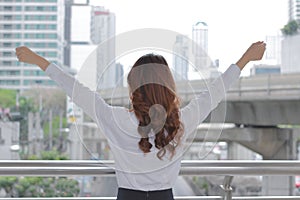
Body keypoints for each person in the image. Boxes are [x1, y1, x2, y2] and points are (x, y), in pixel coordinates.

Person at [15, 41, 266, 200]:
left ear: (133, 86)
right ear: (168, 86)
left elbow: (76, 90)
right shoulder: (182, 120)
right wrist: (245, 58)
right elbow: (215, 91)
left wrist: (39, 61)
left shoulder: (115, 118)